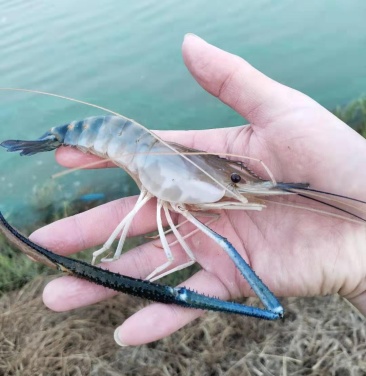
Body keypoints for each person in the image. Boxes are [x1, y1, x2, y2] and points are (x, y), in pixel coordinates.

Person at [30, 34, 366, 346]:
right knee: (258, 297)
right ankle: (50, 140)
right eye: (235, 180)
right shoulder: (145, 155)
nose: (238, 187)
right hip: (99, 134)